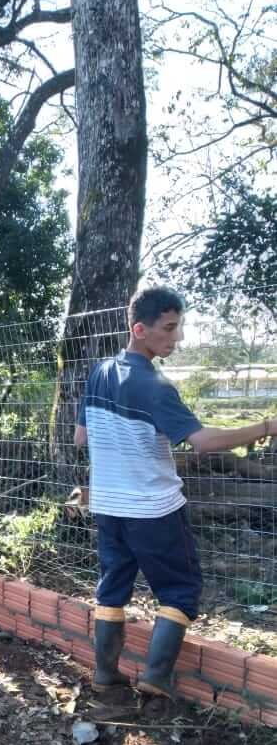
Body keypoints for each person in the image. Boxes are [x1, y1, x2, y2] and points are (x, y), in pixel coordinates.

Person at [74, 285, 277, 700]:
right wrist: (265, 427)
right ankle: (155, 677)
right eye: (170, 328)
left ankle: (105, 675)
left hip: (109, 506)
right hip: (154, 509)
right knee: (181, 590)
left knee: (113, 586)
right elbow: (202, 441)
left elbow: (81, 436)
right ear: (139, 329)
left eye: (178, 327)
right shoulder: (155, 387)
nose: (177, 337)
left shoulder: (99, 373)